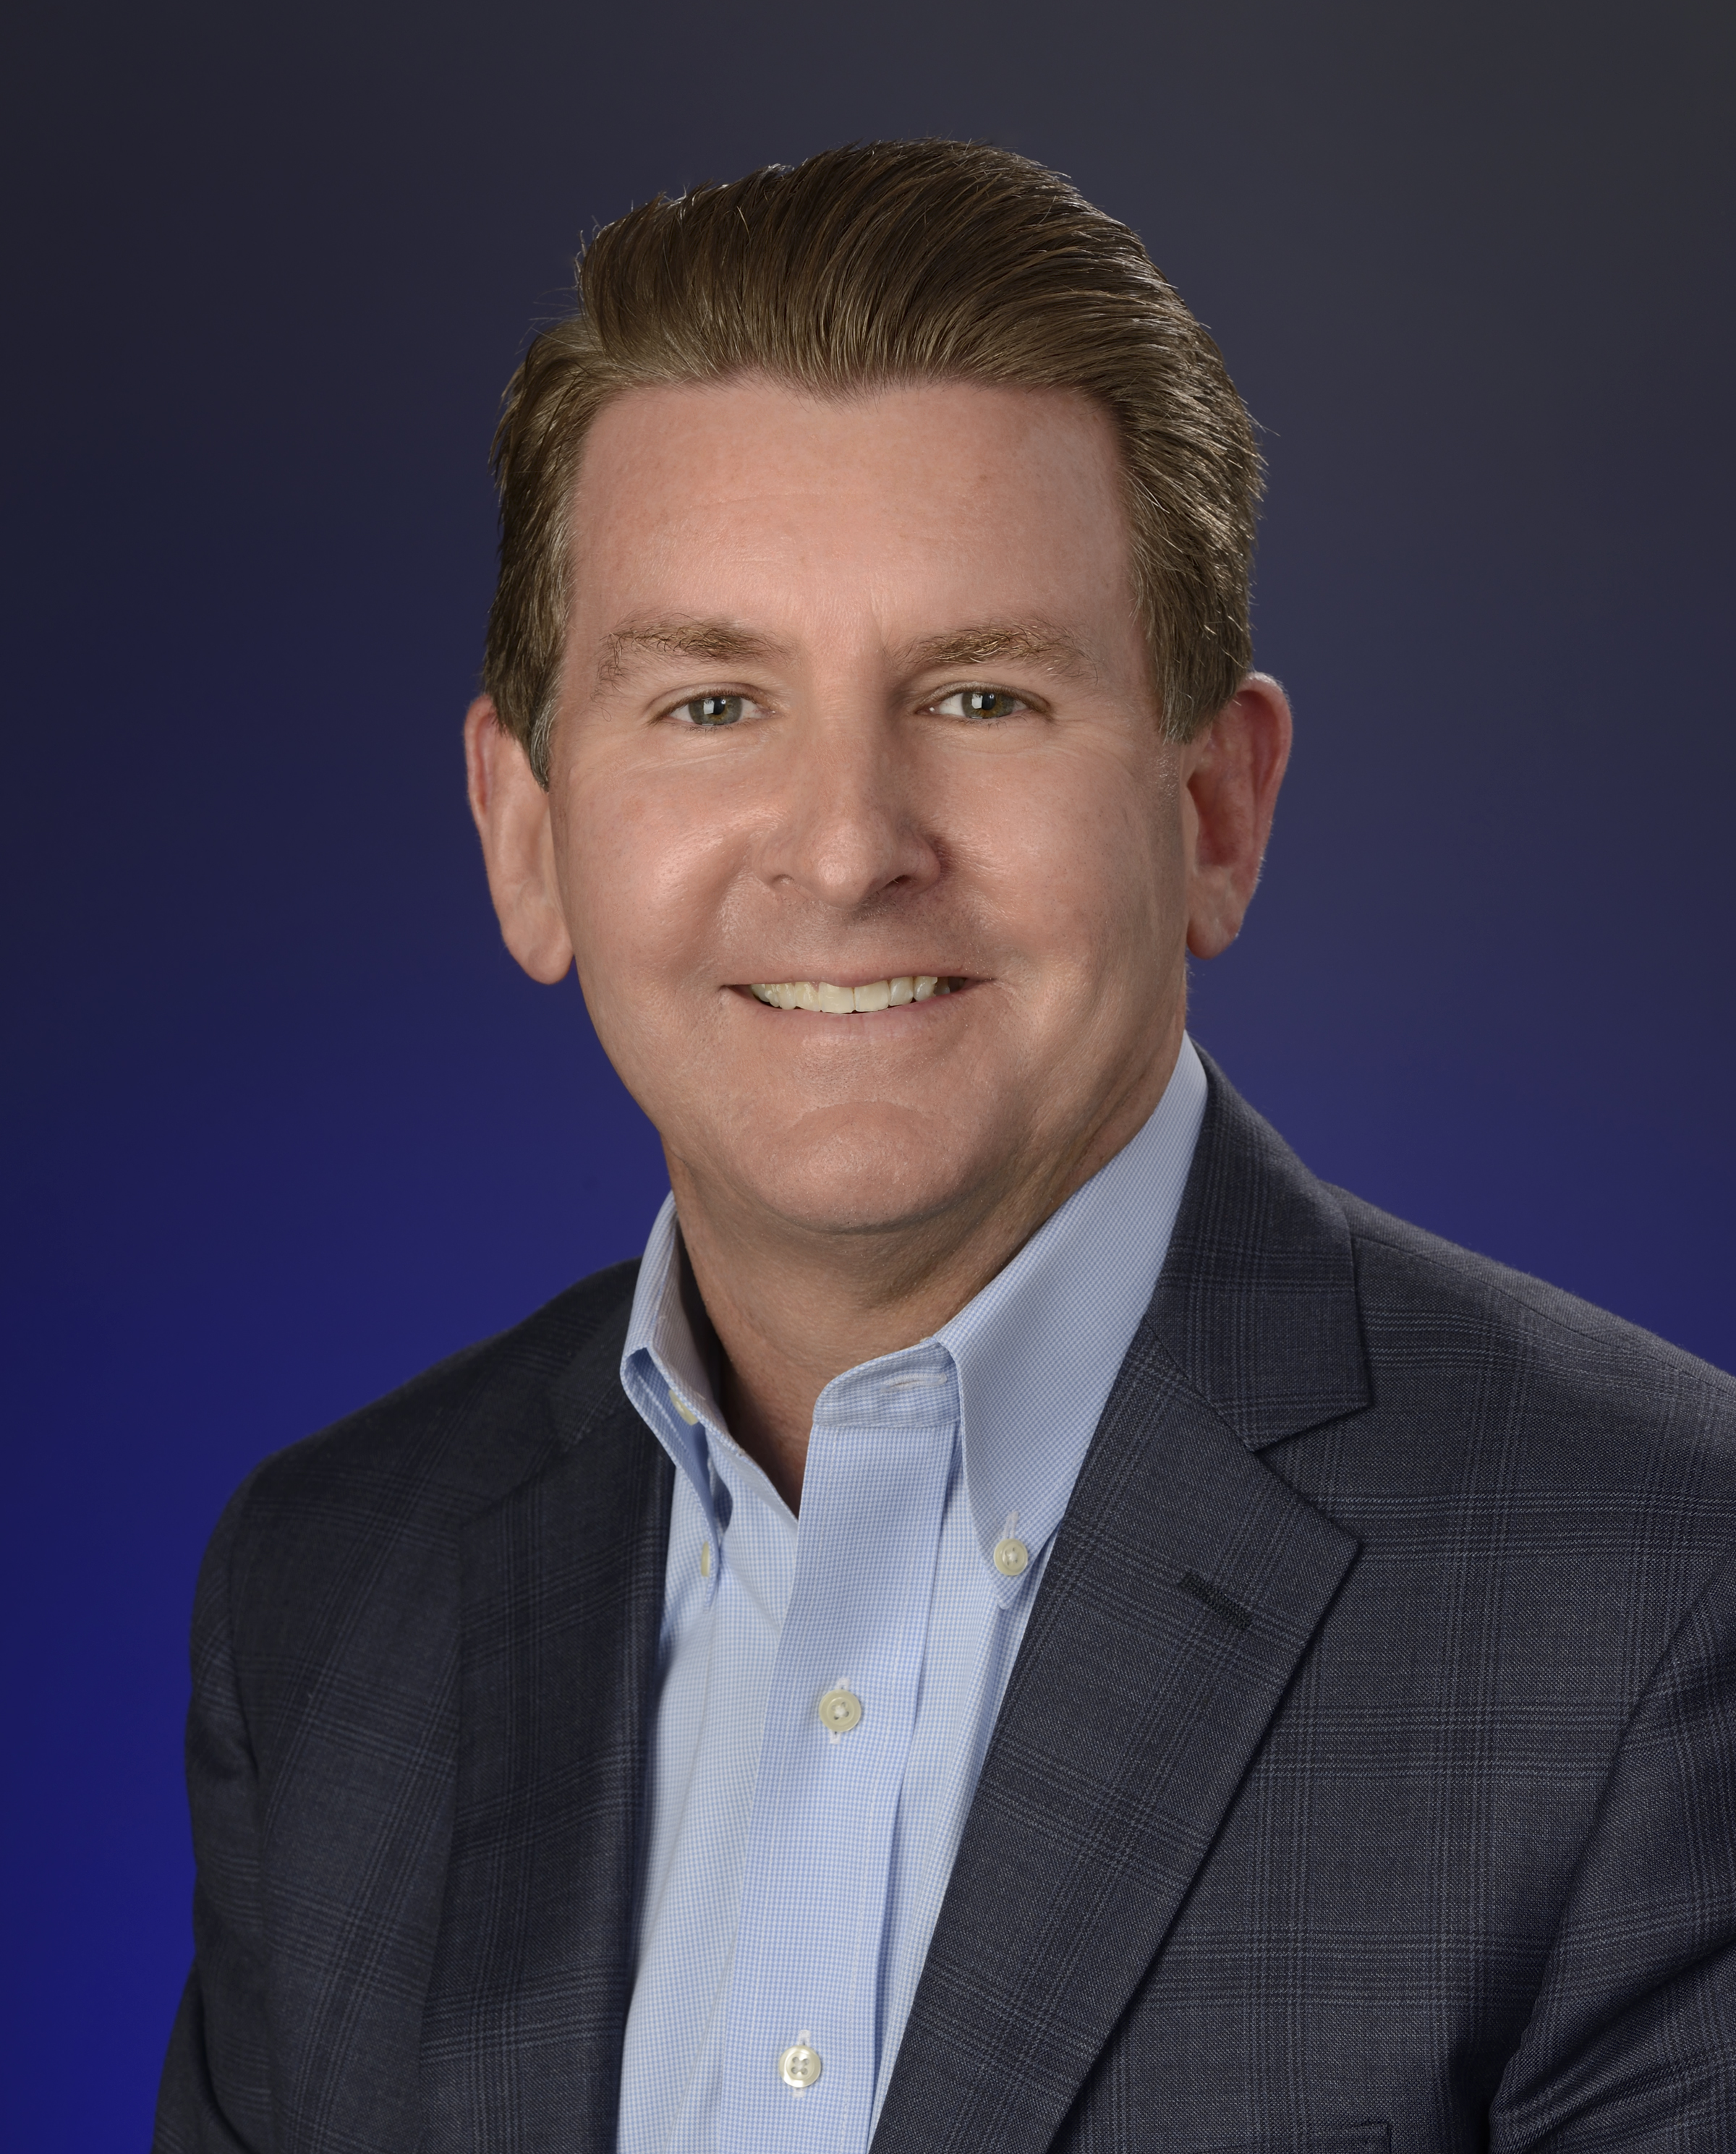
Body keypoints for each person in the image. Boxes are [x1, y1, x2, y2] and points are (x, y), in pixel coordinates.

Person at [154, 140, 1736, 2154]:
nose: (845, 850)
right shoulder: (327, 1599)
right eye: (712, 704)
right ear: (526, 833)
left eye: (981, 697)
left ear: (1217, 812)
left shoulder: (1661, 1601)